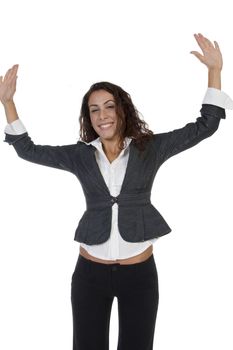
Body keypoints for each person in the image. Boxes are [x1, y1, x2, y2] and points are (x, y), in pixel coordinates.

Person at [1, 33, 232, 350]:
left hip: (139, 274)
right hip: (89, 273)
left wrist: (214, 71)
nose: (102, 115)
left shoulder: (149, 148)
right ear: (89, 117)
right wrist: (8, 102)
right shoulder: (80, 155)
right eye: (94, 110)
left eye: (109, 106)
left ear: (123, 110)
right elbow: (27, 150)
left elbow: (205, 126)